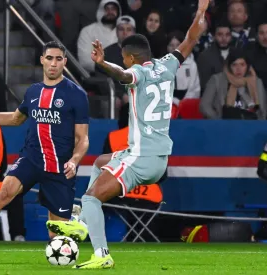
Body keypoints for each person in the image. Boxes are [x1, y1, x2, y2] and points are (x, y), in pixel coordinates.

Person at [46, 0, 209, 269]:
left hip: (140, 157)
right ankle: (83, 223)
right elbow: (192, 36)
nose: (123, 61)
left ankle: (100, 253)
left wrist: (102, 63)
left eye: (123, 56)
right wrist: (201, 10)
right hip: (158, 158)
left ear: (132, 57)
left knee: (90, 198)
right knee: (100, 162)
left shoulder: (138, 71)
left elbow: (122, 75)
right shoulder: (168, 64)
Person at [0, 41, 90, 264]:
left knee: (55, 238)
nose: (54, 63)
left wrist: (75, 160)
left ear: (65, 62)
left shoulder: (76, 95)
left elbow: (82, 138)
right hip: (31, 158)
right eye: (50, 58)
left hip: (59, 166)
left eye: (59, 59)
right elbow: (15, 119)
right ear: (42, 60)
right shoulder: (33, 92)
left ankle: (71, 218)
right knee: (4, 193)